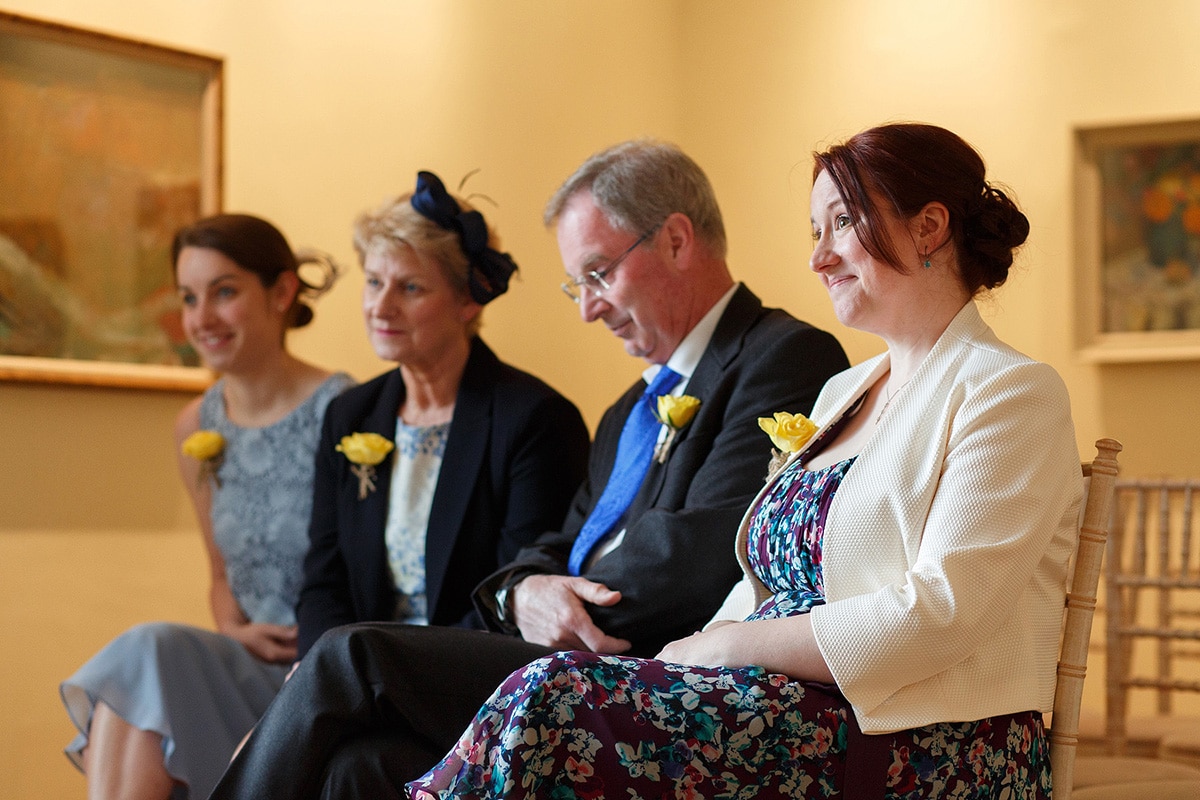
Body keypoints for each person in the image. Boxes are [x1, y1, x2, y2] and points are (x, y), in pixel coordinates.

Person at [405, 122, 1085, 799]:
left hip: (922, 739)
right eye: (813, 232)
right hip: (782, 710)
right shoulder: (843, 392)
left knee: (554, 694)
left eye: (841, 223)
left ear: (930, 227)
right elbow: (756, 579)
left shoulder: (1008, 392)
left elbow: (940, 614)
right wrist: (695, 648)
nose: (819, 258)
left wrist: (728, 649)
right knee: (546, 701)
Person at [208, 139, 849, 799]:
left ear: (677, 241)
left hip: (647, 671)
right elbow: (554, 543)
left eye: (598, 274)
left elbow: (703, 549)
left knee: (352, 656)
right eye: (580, 283)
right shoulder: (630, 407)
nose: (587, 307)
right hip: (561, 655)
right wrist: (521, 593)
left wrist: (560, 599)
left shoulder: (782, 356)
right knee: (359, 767)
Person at [60, 213, 354, 800]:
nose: (202, 320)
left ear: (281, 291)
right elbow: (221, 574)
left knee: (148, 656)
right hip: (241, 663)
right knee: (137, 684)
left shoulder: (346, 410)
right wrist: (232, 630)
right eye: (189, 299)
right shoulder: (194, 426)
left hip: (323, 672)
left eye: (224, 293)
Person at [293, 170, 590, 658]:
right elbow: (324, 581)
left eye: (410, 288)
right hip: (353, 674)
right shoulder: (350, 414)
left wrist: (384, 674)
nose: (380, 308)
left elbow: (516, 593)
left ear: (468, 300)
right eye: (373, 283)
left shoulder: (535, 420)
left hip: (471, 675)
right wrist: (320, 670)